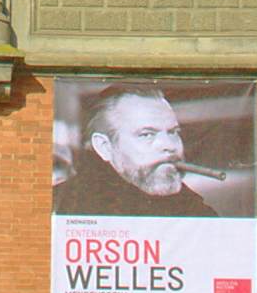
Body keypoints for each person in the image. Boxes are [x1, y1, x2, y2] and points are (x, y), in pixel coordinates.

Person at [51, 88, 218, 216]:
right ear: (104, 147)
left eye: (173, 132)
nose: (169, 145)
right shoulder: (62, 209)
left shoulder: (198, 212)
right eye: (147, 135)